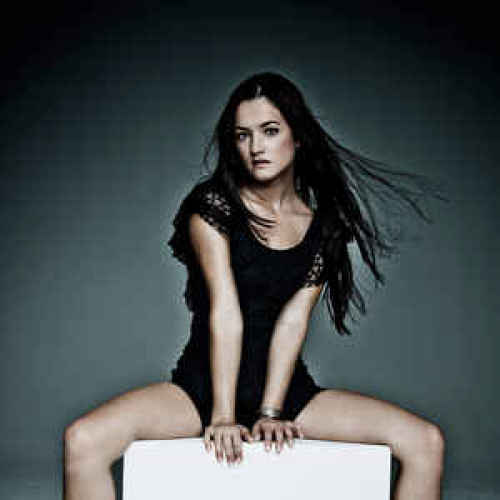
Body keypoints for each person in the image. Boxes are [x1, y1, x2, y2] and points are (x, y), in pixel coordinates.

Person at [63, 72, 446, 499]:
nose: (256, 147)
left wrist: (271, 411)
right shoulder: (213, 207)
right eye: (243, 135)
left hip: (286, 392)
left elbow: (292, 322)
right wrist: (223, 416)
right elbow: (225, 311)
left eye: (270, 131)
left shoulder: (325, 227)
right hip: (202, 390)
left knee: (425, 442)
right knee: (84, 441)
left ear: (297, 137)